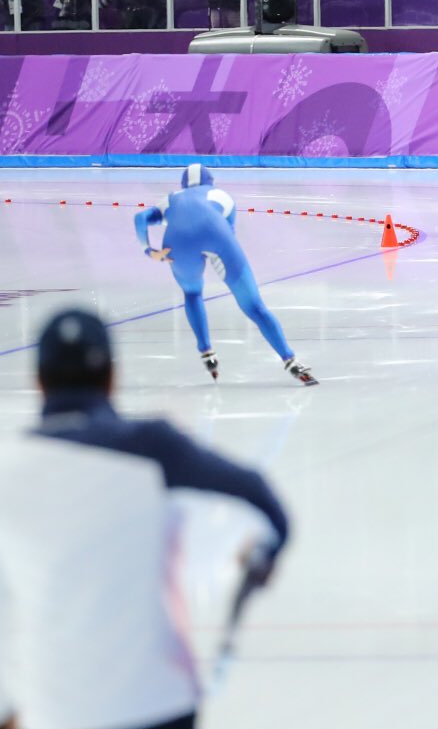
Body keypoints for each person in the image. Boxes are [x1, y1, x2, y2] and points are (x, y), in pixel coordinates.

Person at [0, 308, 290, 729]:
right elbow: (263, 502)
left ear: (39, 381)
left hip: (56, 711)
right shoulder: (153, 448)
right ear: (112, 376)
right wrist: (260, 556)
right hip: (158, 702)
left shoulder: (8, 468)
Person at [134, 164, 318, 385]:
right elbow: (228, 232)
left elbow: (140, 218)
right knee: (254, 307)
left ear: (183, 185)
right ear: (210, 182)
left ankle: (206, 351)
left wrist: (148, 250)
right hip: (217, 236)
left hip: (178, 244)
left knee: (192, 293)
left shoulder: (170, 199)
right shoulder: (221, 195)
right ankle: (290, 359)